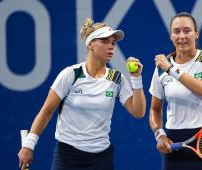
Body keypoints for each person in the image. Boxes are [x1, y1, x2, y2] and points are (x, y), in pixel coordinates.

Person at [18, 18, 146, 170]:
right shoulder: (71, 74)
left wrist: (136, 78)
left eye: (113, 42)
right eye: (105, 41)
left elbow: (138, 112)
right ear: (90, 44)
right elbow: (46, 111)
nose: (111, 46)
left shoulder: (116, 79)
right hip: (68, 156)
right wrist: (29, 144)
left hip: (101, 158)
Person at [149, 12, 202, 170]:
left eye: (187, 30)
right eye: (176, 31)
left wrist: (171, 69)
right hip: (174, 142)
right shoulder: (161, 69)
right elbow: (154, 109)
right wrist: (160, 134)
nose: (182, 36)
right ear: (171, 36)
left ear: (196, 33)